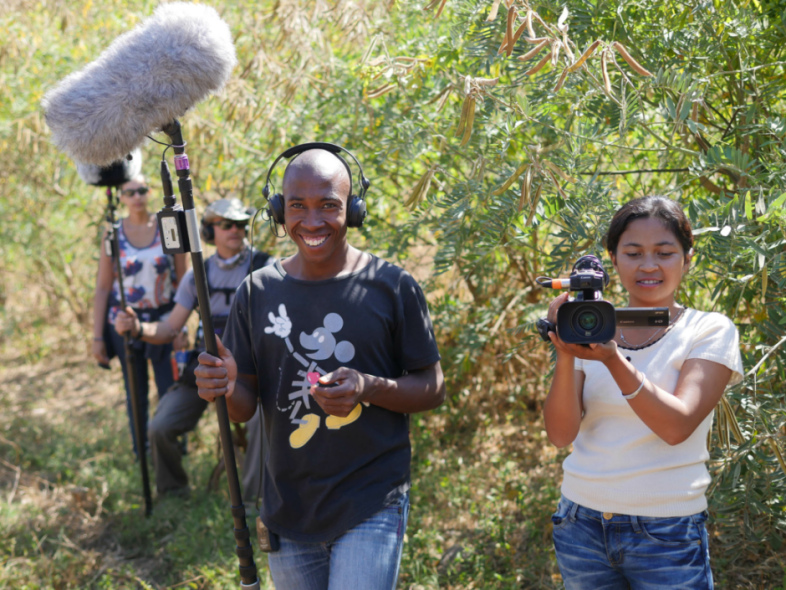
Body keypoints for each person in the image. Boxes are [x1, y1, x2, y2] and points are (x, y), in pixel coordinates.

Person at [195, 147, 446, 590]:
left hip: (371, 500)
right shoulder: (256, 291)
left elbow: (432, 388)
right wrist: (226, 386)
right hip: (288, 507)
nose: (312, 222)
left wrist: (367, 386)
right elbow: (242, 409)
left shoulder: (393, 287)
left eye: (329, 205)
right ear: (278, 211)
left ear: (353, 210)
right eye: (297, 206)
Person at [542, 196, 744, 589]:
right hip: (581, 523)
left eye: (664, 253)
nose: (648, 265)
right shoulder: (591, 329)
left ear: (687, 258)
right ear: (613, 260)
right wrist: (565, 352)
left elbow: (676, 426)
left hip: (667, 531)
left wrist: (613, 359)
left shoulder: (709, 330)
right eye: (633, 252)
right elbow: (560, 435)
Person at [114, 198, 274, 497]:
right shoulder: (197, 274)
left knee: (262, 426)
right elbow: (169, 327)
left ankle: (255, 502)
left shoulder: (266, 269)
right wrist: (137, 327)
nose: (235, 231)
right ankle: (174, 492)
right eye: (226, 225)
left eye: (240, 224)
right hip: (207, 368)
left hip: (252, 370)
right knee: (160, 427)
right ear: (209, 231)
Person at [92, 173, 188, 456]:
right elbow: (102, 287)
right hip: (124, 322)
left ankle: (173, 450)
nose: (137, 197)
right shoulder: (113, 234)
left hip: (165, 319)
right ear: (120, 197)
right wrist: (97, 336)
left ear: (150, 192)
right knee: (135, 391)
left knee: (169, 388)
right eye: (130, 192)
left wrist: (182, 326)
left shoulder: (167, 227)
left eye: (142, 190)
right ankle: (142, 452)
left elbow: (184, 278)